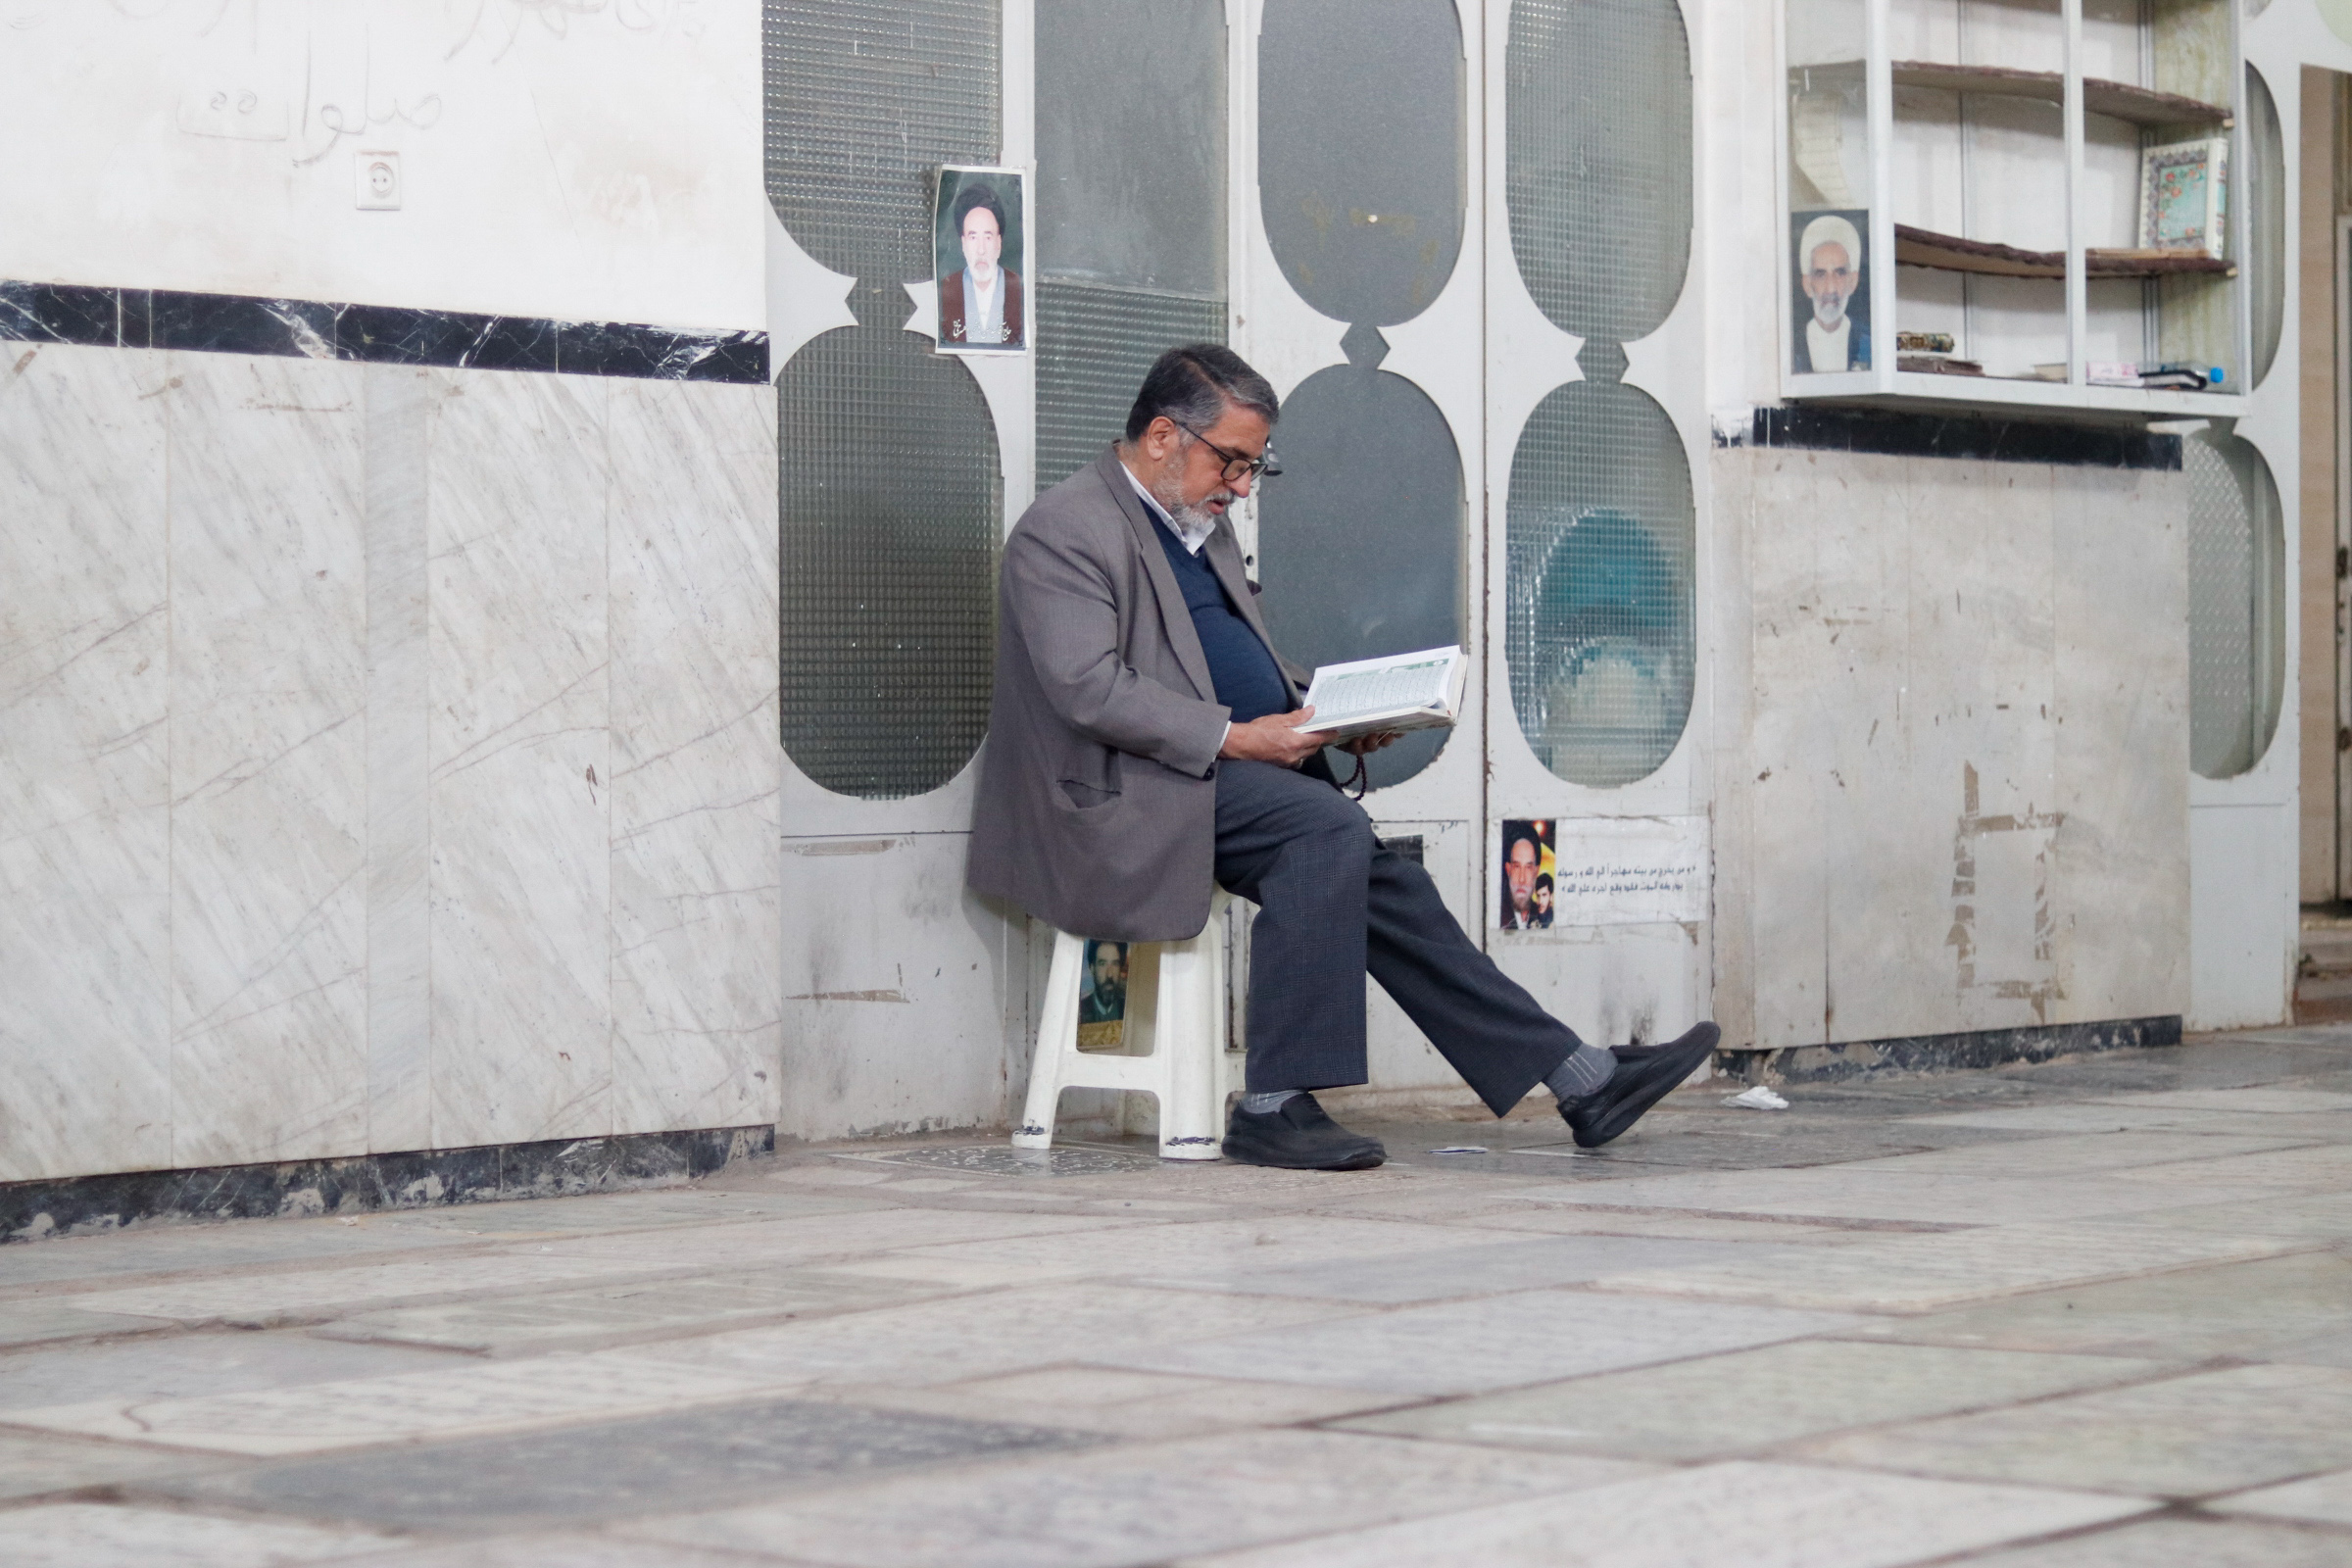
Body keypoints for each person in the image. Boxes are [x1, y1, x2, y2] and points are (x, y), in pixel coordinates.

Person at [967, 344, 1719, 1170]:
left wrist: (1327, 712)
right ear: (1162, 436)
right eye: (1233, 462)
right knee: (1324, 831)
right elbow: (1088, 687)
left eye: (1256, 467)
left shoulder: (1195, 523)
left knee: (1378, 875)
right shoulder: (1066, 530)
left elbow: (1222, 656)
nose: (1242, 486)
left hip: (1207, 774)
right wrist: (1237, 736)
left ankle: (1580, 1078)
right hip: (1122, 794)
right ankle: (1273, 1105)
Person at [940, 183, 1024, 349]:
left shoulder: (1018, 288)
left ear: (998, 243)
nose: (981, 249)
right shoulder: (947, 288)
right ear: (963, 244)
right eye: (973, 237)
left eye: (987, 237)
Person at [1793, 214, 1868, 373]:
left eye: (1840, 273)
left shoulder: (1869, 342)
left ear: (1853, 281)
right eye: (1821, 275)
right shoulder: (1791, 345)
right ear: (1807, 284)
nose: (1831, 288)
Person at [1499, 824, 1544, 930]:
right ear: (1508, 869)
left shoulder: (1544, 918)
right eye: (1517, 867)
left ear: (1536, 871)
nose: (1522, 879)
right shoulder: (1497, 916)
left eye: (1528, 867)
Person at [1080, 941, 1128, 1024]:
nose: (1109, 974)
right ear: (1092, 968)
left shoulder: (1129, 1010)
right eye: (1102, 964)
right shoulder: (1079, 1010)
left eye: (1115, 964)